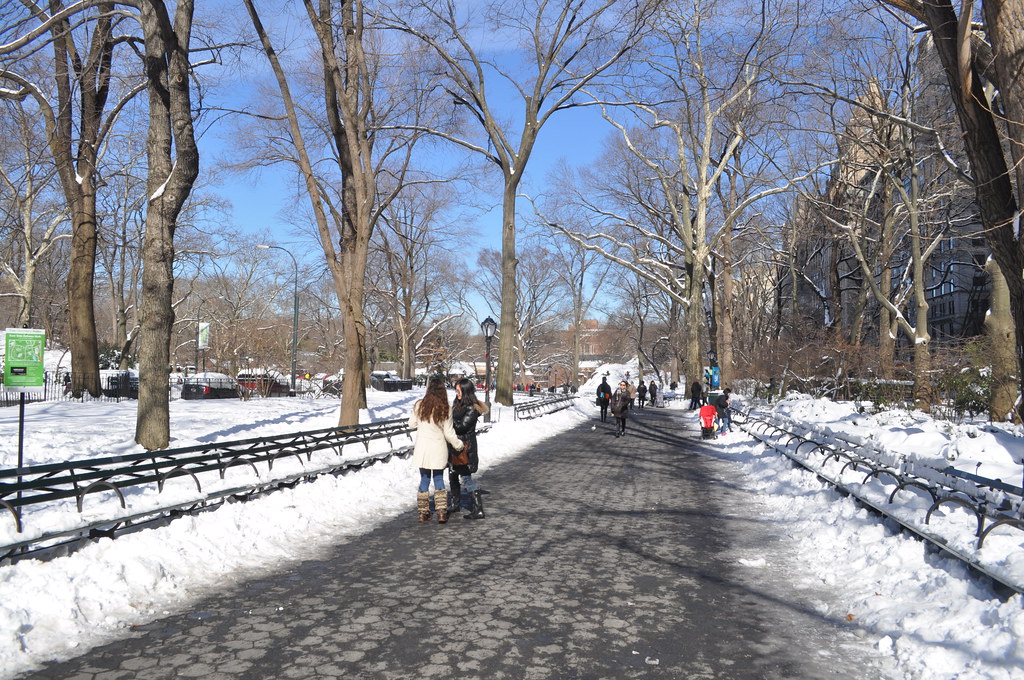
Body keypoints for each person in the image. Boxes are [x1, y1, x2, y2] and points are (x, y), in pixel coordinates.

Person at [408, 376, 464, 523]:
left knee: (424, 479)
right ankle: (441, 512)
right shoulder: (446, 408)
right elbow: (448, 433)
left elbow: (411, 424)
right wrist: (458, 445)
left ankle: (423, 513)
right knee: (438, 478)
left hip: (423, 448)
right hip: (438, 448)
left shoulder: (419, 405)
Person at [450, 377, 488, 520]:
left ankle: (478, 509)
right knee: (453, 475)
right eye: (456, 391)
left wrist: (448, 420)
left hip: (465, 449)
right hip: (455, 446)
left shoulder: (472, 408)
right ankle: (455, 504)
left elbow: (462, 427)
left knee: (466, 479)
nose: (457, 394)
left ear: (466, 392)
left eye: (459, 391)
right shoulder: (457, 404)